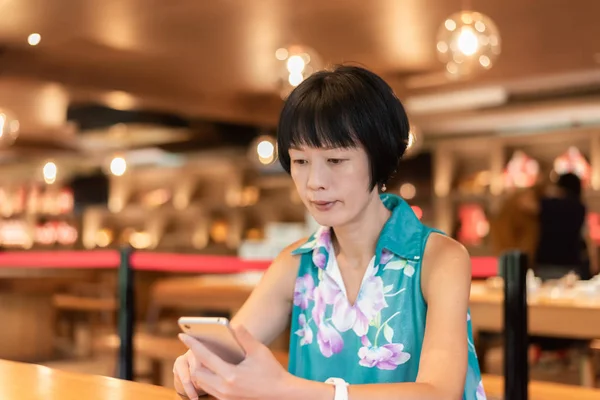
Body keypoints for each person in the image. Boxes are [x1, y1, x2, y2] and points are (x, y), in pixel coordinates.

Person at [173, 65, 485, 400]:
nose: (314, 182)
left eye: (335, 160)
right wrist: (197, 368)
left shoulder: (440, 259)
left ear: (379, 160)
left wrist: (285, 390)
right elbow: (234, 348)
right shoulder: (297, 263)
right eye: (300, 161)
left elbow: (439, 393)